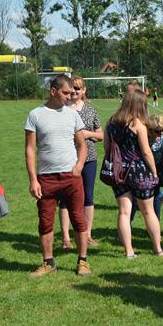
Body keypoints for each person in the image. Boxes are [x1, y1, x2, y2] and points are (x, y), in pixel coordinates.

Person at [25, 75, 91, 277]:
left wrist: (79, 167)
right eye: (65, 93)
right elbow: (30, 149)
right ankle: (48, 262)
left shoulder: (73, 115)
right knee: (45, 221)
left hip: (71, 176)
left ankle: (83, 261)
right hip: (46, 178)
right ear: (53, 91)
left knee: (78, 218)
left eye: (71, 93)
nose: (69, 97)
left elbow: (82, 146)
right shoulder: (35, 115)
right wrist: (33, 180)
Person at [105, 89, 163, 258]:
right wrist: (154, 172)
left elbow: (107, 148)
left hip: (118, 171)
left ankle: (129, 251)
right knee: (148, 211)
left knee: (124, 211)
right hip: (139, 171)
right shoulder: (138, 124)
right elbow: (146, 152)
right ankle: (158, 249)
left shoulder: (111, 122)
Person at [59, 76, 103, 250]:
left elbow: (100, 135)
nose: (74, 91)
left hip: (89, 158)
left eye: (78, 88)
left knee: (88, 197)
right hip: (68, 159)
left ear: (84, 90)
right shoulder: (62, 109)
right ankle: (66, 238)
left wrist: (88, 134)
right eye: (72, 88)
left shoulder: (90, 110)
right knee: (65, 198)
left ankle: (87, 235)